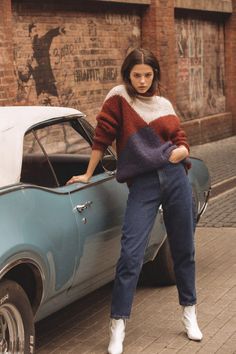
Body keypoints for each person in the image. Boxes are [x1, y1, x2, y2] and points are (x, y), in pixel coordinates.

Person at [67, 48, 203, 354]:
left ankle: (190, 312)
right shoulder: (118, 98)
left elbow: (182, 142)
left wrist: (177, 154)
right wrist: (88, 175)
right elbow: (101, 138)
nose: (142, 81)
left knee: (184, 249)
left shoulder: (164, 103)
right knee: (130, 255)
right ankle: (118, 325)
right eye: (136, 75)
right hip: (142, 184)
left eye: (148, 75)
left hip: (175, 178)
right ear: (127, 74)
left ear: (155, 75)